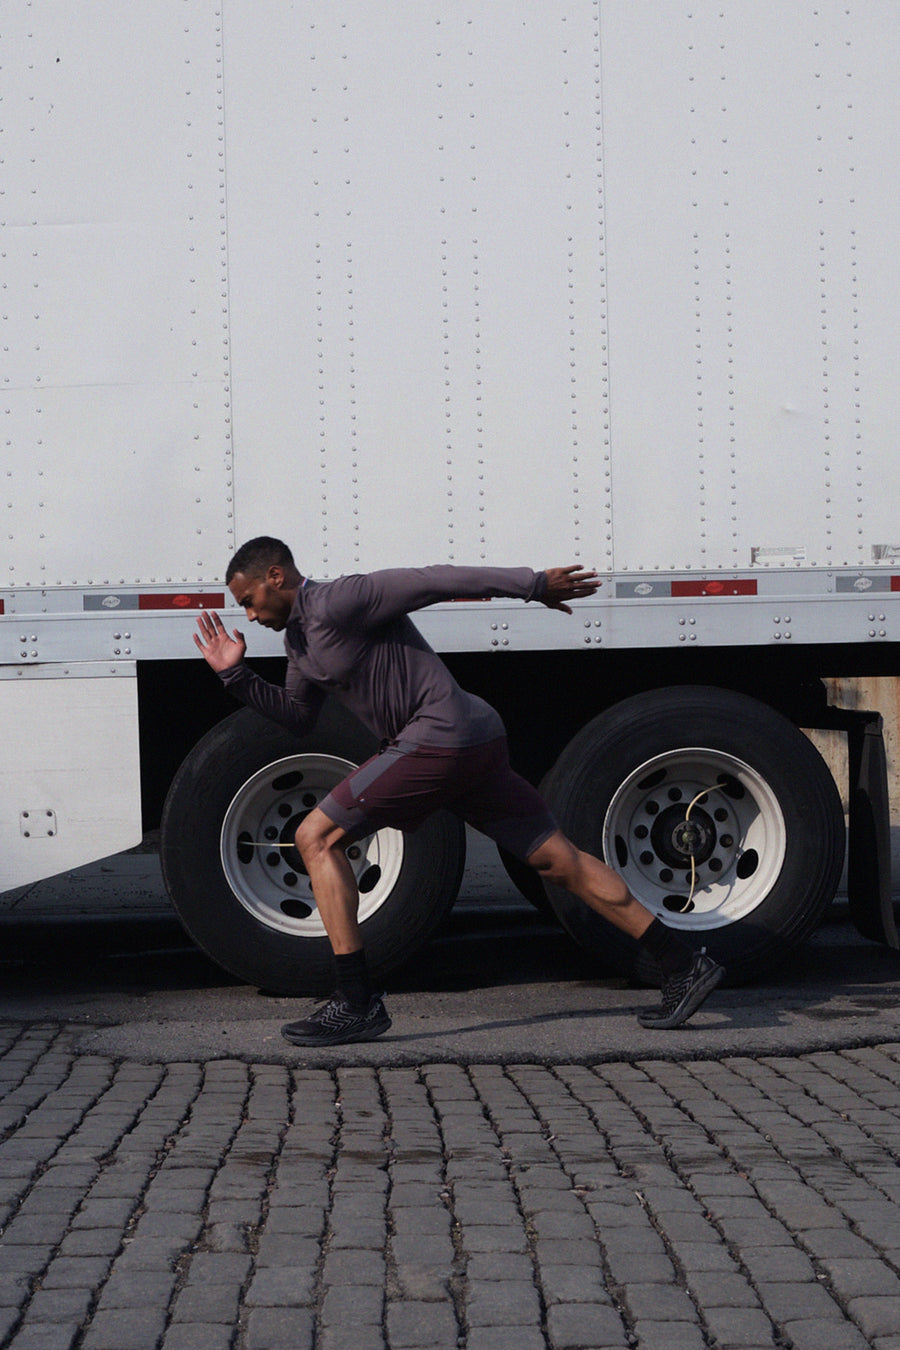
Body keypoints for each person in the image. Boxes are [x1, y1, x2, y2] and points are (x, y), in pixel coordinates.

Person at [194, 537, 723, 1045]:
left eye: (248, 601)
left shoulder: (342, 599)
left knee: (315, 836)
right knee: (558, 860)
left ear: (275, 576)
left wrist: (533, 584)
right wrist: (234, 675)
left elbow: (435, 581)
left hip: (440, 735)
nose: (248, 615)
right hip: (469, 739)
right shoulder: (300, 642)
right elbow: (298, 717)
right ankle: (682, 964)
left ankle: (356, 1002)